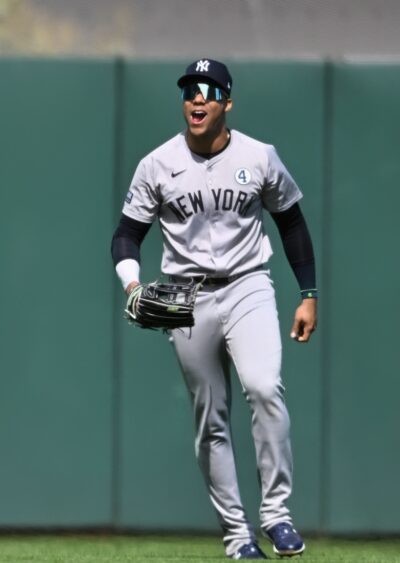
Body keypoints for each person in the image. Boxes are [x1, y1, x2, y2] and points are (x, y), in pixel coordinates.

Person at [110, 58, 317, 560]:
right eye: (189, 90)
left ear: (227, 101)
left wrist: (308, 294)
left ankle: (277, 515)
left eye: (208, 90)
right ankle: (237, 535)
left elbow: (291, 223)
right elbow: (126, 236)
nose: (196, 99)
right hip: (185, 296)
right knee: (211, 418)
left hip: (249, 284)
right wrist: (133, 283)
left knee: (265, 387)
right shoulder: (157, 163)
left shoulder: (259, 156)